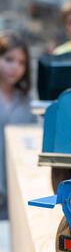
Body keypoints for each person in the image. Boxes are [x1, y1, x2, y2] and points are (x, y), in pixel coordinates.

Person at [0, 31, 35, 208]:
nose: (15, 67)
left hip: (16, 185)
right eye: (9, 59)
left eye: (21, 63)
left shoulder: (26, 100)